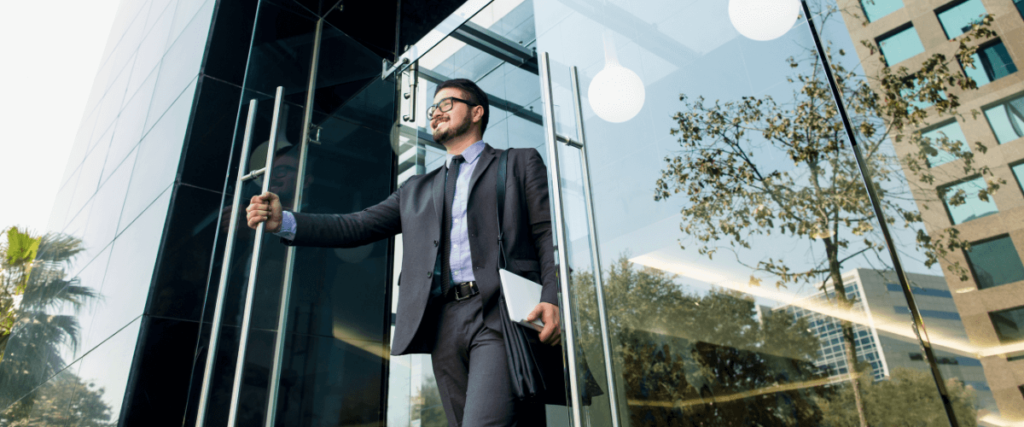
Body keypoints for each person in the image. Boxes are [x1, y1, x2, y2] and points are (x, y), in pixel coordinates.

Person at [245, 78, 560, 426]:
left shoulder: (518, 163)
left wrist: (552, 296)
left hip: (497, 313)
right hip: (444, 324)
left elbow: (546, 233)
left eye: (446, 104)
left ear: (476, 112)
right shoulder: (416, 189)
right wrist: (286, 221)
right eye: (432, 109)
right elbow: (356, 226)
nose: (435, 113)